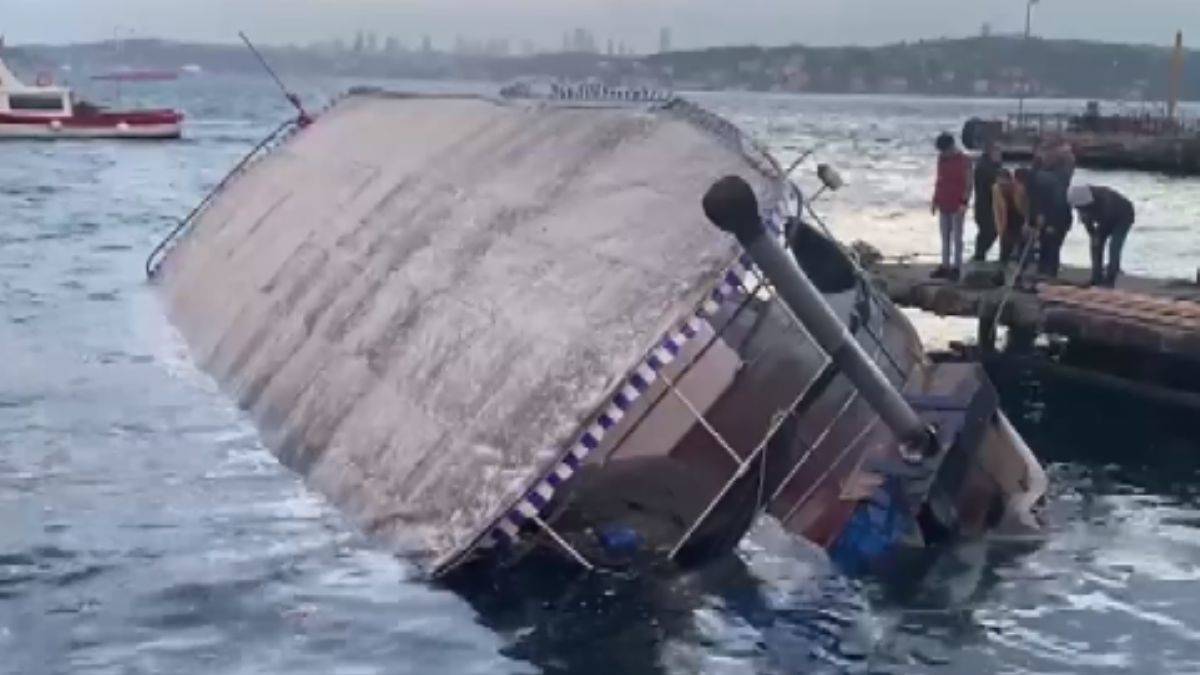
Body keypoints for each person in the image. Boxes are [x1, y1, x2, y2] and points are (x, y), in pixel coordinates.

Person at [1068, 184, 1135, 287]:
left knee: (1114, 246)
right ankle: (1096, 277)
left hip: (1124, 216)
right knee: (1095, 245)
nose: (1080, 210)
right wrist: (1093, 235)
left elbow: (1106, 219)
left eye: (1082, 208)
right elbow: (1087, 223)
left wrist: (1098, 235)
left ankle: (1110, 278)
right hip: (1106, 218)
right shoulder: (1081, 203)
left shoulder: (1104, 199)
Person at [930, 132, 973, 280]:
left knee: (957, 237)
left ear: (951, 147)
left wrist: (964, 202)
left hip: (957, 203)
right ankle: (945, 265)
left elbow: (968, 184)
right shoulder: (941, 159)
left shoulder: (964, 160)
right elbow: (939, 180)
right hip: (944, 201)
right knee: (945, 237)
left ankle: (957, 267)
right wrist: (935, 200)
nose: (944, 153)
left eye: (945, 150)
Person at [1019, 167, 1073, 278]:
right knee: (1045, 241)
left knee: (1052, 243)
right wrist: (1030, 222)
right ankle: (1042, 270)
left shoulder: (1035, 184)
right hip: (1055, 215)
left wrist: (1051, 223)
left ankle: (1050, 273)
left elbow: (1056, 204)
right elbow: (1034, 205)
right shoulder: (1038, 181)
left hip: (1059, 218)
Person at [972, 141, 1003, 261]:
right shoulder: (984, 167)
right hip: (985, 206)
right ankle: (979, 255)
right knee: (989, 231)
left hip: (988, 205)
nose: (1000, 155)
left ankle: (980, 254)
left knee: (988, 231)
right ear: (991, 152)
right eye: (997, 152)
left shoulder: (989, 165)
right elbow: (991, 184)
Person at [991, 168, 1028, 266]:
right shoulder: (996, 189)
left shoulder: (1019, 189)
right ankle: (1003, 261)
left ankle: (1022, 262)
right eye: (1000, 184)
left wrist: (1026, 223)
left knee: (1021, 241)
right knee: (1005, 240)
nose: (1002, 186)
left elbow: (1026, 208)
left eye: (1004, 184)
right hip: (1005, 215)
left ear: (1009, 180)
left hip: (1018, 215)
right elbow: (996, 209)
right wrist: (999, 228)